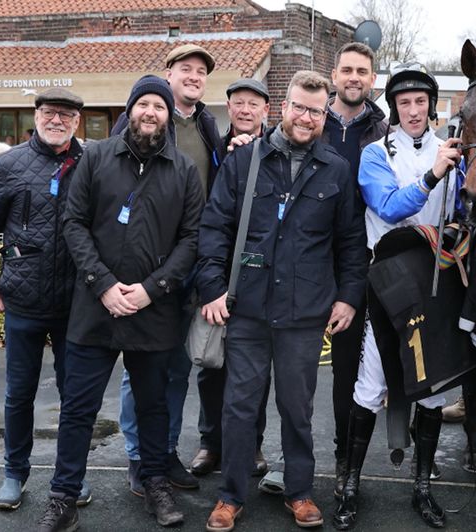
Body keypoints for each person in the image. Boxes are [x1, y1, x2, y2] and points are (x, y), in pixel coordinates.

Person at [199, 70, 366, 532]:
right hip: (247, 308)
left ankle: (299, 492)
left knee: (298, 408)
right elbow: (214, 228)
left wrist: (348, 297)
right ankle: (230, 496)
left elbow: (351, 242)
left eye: (316, 110)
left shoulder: (335, 168)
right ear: (282, 107)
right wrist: (212, 287)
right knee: (239, 407)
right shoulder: (244, 161)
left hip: (305, 312)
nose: (306, 117)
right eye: (299, 106)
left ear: (324, 113)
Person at [35, 75, 204, 531]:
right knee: (78, 408)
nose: (151, 112)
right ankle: (63, 495)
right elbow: (73, 223)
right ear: (130, 110)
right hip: (96, 306)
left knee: (153, 406)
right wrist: (104, 284)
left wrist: (152, 288)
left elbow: (191, 240)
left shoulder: (184, 170)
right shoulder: (95, 158)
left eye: (159, 106)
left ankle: (154, 484)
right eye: (143, 104)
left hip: (154, 307)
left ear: (169, 116)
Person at [331, 62, 460, 530]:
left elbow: (461, 210)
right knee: (371, 384)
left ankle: (423, 489)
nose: (412, 110)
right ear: (394, 108)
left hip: (435, 280)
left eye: (420, 102)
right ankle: (349, 485)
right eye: (404, 103)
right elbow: (386, 207)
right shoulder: (373, 153)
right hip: (386, 279)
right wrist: (432, 175)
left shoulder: (452, 151)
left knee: (430, 387)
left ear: (430, 105)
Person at [112, 44, 224, 496]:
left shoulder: (206, 124)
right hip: (143, 269)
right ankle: (139, 457)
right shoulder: (141, 119)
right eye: (185, 69)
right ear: (168, 73)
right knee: (138, 368)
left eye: (201, 71)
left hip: (187, 266)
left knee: (177, 366)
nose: (194, 77)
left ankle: (165, 452)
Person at [0, 88, 90, 512]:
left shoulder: (90, 162)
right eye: (49, 112)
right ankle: (14, 472)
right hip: (22, 297)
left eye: (65, 115)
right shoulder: (8, 164)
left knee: (74, 395)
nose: (56, 120)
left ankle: (69, 476)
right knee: (19, 393)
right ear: (36, 116)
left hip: (76, 301)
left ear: (78, 121)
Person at [189, 76, 272, 480]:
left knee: (256, 368)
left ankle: (252, 444)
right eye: (238, 103)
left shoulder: (277, 149)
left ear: (265, 111)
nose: (245, 110)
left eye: (253, 104)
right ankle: (210, 442)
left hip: (260, 275)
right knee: (212, 363)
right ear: (229, 107)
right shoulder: (215, 147)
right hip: (218, 268)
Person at [321, 41, 390, 499]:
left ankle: (346, 454)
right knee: (295, 367)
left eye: (362, 71)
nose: (353, 77)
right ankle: (285, 458)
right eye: (346, 69)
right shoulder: (310, 119)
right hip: (307, 258)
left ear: (372, 79)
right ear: (334, 75)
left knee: (348, 366)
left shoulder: (385, 130)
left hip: (359, 261)